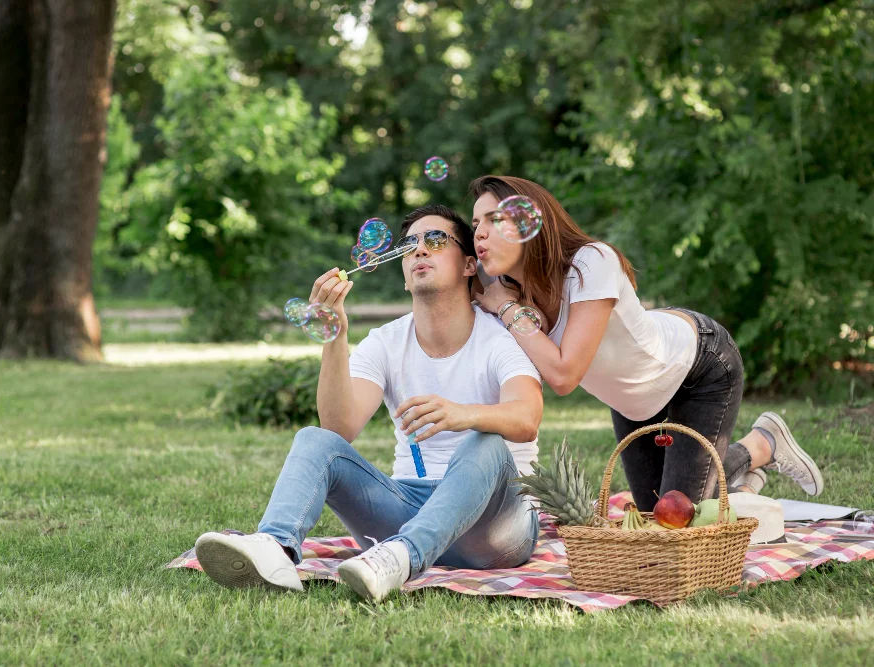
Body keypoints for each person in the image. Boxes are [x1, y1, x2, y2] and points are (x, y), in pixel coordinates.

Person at [195, 204, 545, 602]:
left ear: (469, 265)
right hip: (404, 511)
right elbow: (338, 429)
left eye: (434, 240)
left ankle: (400, 558)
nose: (419, 250)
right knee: (314, 439)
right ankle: (275, 549)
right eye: (409, 244)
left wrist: (463, 414)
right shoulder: (386, 341)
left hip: (494, 527)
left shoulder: (498, 338)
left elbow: (527, 416)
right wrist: (334, 333)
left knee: (486, 441)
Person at [469, 175, 823, 512]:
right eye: (474, 225)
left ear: (534, 223)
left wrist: (505, 307)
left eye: (494, 219)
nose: (480, 233)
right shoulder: (515, 298)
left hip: (698, 368)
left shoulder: (591, 262)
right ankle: (748, 466)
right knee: (659, 510)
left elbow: (563, 376)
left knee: (679, 515)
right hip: (634, 400)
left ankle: (761, 445)